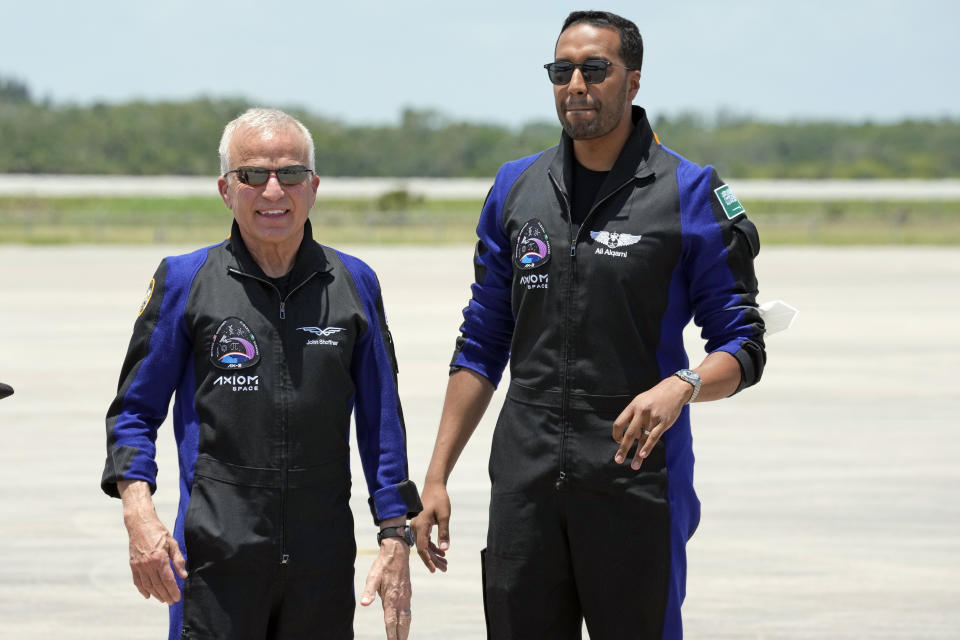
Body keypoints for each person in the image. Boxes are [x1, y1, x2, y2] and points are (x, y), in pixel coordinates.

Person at [410, 10, 766, 640]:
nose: (576, 83)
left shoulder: (689, 193)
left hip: (636, 477)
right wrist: (436, 476)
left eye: (594, 69)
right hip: (525, 476)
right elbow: (481, 342)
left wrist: (680, 385)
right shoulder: (515, 188)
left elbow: (742, 342)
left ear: (632, 81)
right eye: (562, 70)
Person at [101, 108, 422, 640]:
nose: (273, 191)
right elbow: (134, 412)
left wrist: (394, 536)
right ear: (226, 190)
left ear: (313, 187)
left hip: (321, 557)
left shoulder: (354, 283)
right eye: (252, 175)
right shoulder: (185, 281)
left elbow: (382, 422)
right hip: (213, 556)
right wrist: (140, 514)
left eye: (290, 173)